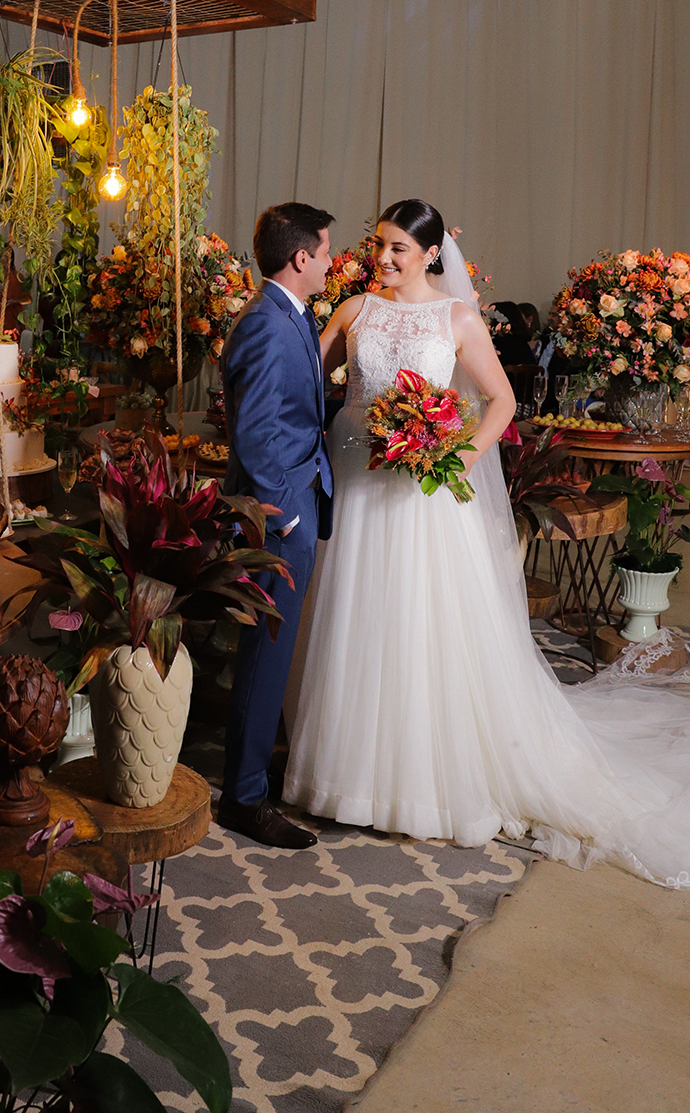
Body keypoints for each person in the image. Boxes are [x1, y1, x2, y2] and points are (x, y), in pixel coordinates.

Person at [283, 199, 690, 887]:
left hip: (423, 494)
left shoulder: (458, 318)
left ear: (431, 255)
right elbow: (302, 381)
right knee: (355, 614)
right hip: (356, 481)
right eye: (378, 245)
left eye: (398, 249)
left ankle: (416, 780)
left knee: (420, 623)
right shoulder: (354, 311)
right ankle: (343, 773)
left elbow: (500, 401)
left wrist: (456, 458)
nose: (383, 259)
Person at [218, 202, 335, 849]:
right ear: (300, 257)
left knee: (274, 653)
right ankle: (243, 799)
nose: (331, 262)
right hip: (276, 518)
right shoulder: (266, 323)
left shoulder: (291, 314)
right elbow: (256, 433)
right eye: (326, 251)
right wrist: (286, 516)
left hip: (299, 499)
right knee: (265, 657)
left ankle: (254, 779)